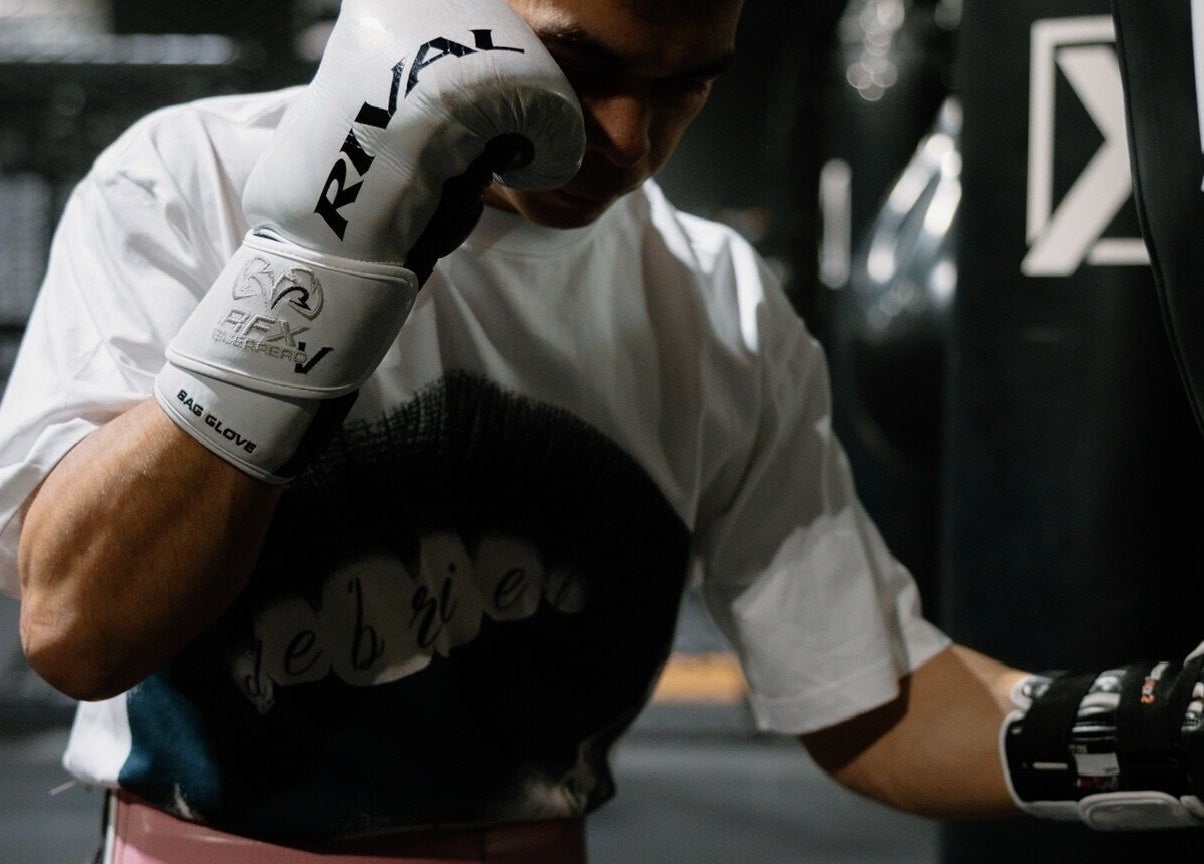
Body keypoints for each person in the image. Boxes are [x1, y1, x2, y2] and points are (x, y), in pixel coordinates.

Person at [2, 0, 1202, 861]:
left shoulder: (715, 301)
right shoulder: (187, 182)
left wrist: (1147, 732)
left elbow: (868, 698)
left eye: (687, 83)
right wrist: (319, 258)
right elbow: (78, 632)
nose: (628, 141)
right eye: (582, 63)